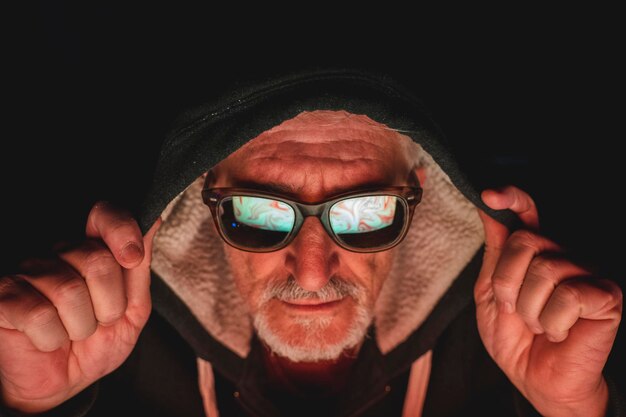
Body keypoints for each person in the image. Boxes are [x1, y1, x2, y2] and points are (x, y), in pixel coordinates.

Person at [0, 70, 623, 417]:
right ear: (204, 198)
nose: (316, 270)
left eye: (364, 211)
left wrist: (573, 410)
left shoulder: (515, 348)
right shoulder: (106, 348)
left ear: (420, 195)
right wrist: (31, 407)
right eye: (260, 211)